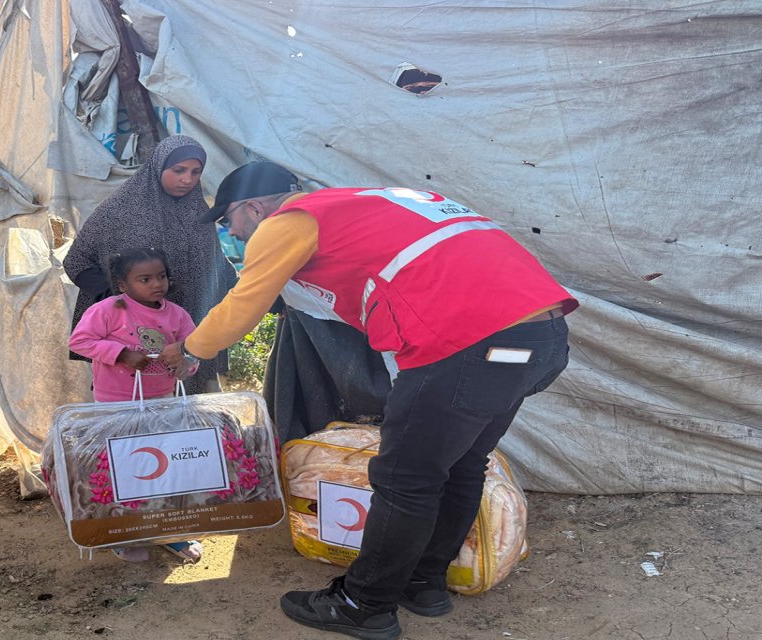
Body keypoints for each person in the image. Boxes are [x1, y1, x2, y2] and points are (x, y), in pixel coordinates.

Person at [159, 162, 576, 640]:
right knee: (463, 463)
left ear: (253, 207)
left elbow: (243, 305)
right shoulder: (369, 203)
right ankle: (424, 583)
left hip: (468, 342)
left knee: (405, 480)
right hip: (540, 334)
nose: (231, 232)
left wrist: (192, 348)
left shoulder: (288, 223)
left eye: (228, 220)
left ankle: (363, 604)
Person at [64, 135, 235, 394]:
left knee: (195, 405)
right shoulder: (119, 210)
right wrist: (118, 300)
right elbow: (77, 260)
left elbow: (216, 264)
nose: (187, 179)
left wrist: (266, 296)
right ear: (158, 166)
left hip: (189, 328)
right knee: (136, 408)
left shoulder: (198, 211)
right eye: (178, 170)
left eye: (195, 172)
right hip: (134, 338)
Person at [68, 247, 203, 564]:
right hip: (117, 405)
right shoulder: (109, 309)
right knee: (126, 467)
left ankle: (172, 532)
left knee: (166, 464)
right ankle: (125, 529)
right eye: (145, 279)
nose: (156, 284)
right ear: (122, 285)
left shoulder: (177, 315)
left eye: (161, 276)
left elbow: (193, 347)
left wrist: (187, 364)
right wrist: (121, 354)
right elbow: (80, 341)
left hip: (162, 403)